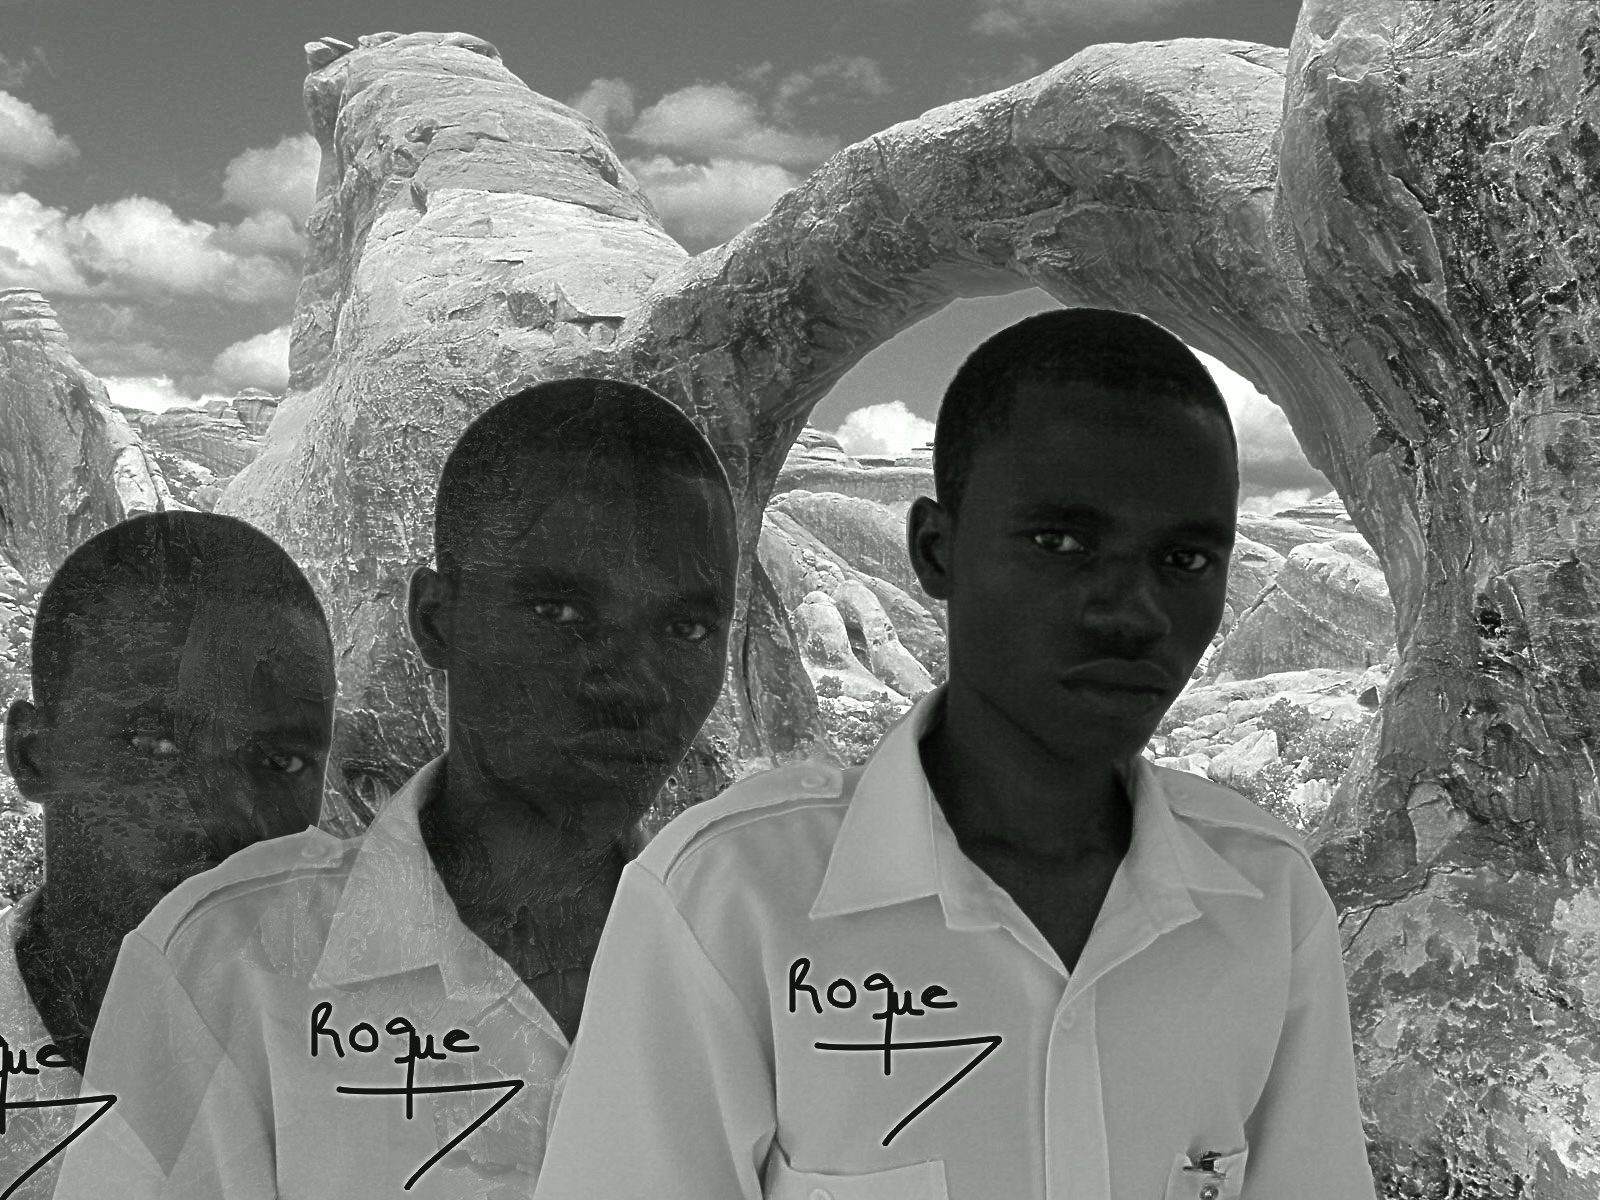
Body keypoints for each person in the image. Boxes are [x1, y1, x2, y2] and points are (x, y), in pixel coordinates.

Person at [532, 309, 1377, 1200]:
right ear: (936, 550)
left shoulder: (1266, 901)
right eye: (1061, 543)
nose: (1133, 611)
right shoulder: (726, 903)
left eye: (1186, 559)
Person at [53, 378, 740, 1200]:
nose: (632, 681)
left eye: (686, 628)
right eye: (559, 612)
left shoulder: (756, 966)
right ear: (436, 619)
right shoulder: (223, 966)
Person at [0, 510, 336, 1199]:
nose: (226, 812)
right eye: (156, 745)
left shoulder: (408, 1077)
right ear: (33, 754)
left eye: (280, 761)